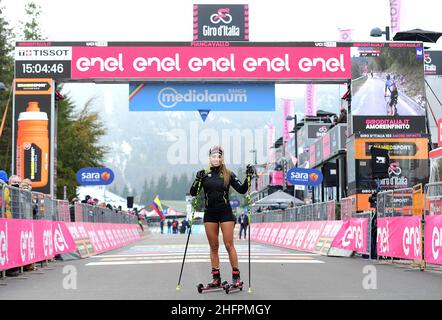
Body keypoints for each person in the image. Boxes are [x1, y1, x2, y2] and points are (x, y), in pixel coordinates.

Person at [189, 145, 254, 287]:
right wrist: (197, 179)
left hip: (225, 212)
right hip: (210, 213)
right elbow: (193, 192)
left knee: (229, 244)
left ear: (222, 158)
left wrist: (249, 177)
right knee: (213, 246)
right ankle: (216, 278)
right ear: (209, 158)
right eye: (213, 156)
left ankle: (236, 277)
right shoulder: (203, 174)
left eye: (219, 156)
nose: (216, 159)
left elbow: (242, 189)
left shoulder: (228, 174)